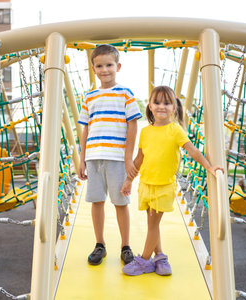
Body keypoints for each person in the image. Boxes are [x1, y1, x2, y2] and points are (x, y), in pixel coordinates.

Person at [121, 85, 224, 276]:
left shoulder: (175, 130)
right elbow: (139, 158)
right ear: (150, 106)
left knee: (152, 225)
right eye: (157, 102)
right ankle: (160, 258)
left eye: (167, 103)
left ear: (174, 107)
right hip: (146, 184)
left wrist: (209, 166)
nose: (162, 106)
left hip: (163, 185)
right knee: (153, 224)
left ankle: (144, 261)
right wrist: (129, 180)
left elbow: (192, 150)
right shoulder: (145, 132)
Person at [78, 44, 142, 266]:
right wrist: (81, 159)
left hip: (116, 157)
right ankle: (100, 245)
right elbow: (85, 129)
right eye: (99, 65)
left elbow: (132, 126)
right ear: (93, 68)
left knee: (120, 203)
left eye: (109, 65)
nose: (104, 69)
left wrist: (128, 158)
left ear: (118, 66)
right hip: (94, 157)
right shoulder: (89, 97)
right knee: (97, 201)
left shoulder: (125, 94)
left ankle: (125, 245)